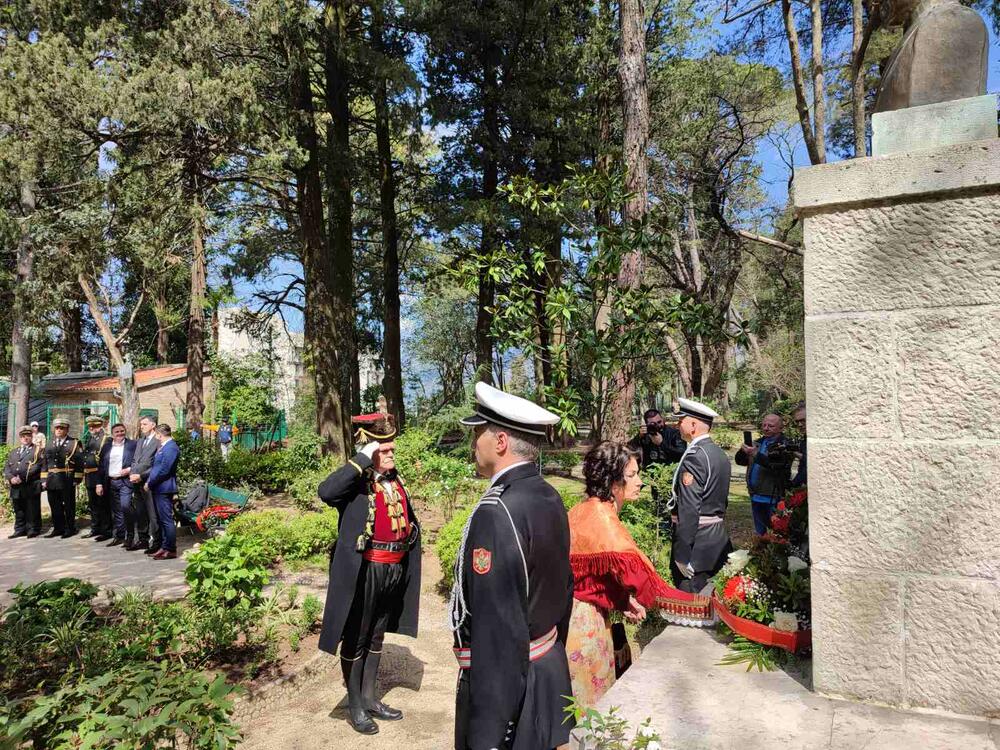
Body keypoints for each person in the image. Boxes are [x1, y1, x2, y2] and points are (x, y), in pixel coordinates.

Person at [451, 381, 574, 750]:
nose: (474, 444)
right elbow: (562, 588)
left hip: (510, 694)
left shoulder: (497, 510)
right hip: (546, 667)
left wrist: (490, 729)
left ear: (500, 441)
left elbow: (497, 627)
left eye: (479, 434)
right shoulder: (547, 493)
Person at [566, 441, 712, 708]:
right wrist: (705, 607)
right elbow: (652, 589)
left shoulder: (582, 509)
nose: (640, 482)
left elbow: (588, 581)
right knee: (592, 709)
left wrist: (622, 601)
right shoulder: (604, 521)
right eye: (632, 475)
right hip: (586, 626)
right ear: (612, 482)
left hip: (570, 617)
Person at [317, 415, 421, 735]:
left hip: (394, 568)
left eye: (391, 449)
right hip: (368, 570)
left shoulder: (394, 478)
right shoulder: (355, 483)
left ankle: (371, 698)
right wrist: (361, 458)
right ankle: (356, 706)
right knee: (357, 637)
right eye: (384, 450)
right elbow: (325, 491)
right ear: (369, 451)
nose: (391, 454)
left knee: (377, 635)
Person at [669, 398, 734, 594]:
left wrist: (682, 554)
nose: (677, 425)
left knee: (692, 604)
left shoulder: (695, 457)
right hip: (716, 537)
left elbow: (689, 509)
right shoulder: (718, 454)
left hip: (697, 543)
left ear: (694, 425)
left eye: (681, 421)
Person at [735, 413, 794, 535]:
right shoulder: (758, 443)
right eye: (764, 425)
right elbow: (740, 461)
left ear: (780, 428)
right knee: (760, 533)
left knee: (777, 532)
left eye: (771, 426)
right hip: (755, 495)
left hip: (774, 496)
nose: (766, 428)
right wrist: (743, 451)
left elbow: (776, 465)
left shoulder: (785, 444)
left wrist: (756, 454)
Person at [628, 408, 687, 530]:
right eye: (653, 424)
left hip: (673, 478)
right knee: (659, 504)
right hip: (654, 477)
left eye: (659, 422)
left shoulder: (674, 433)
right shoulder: (645, 436)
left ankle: (675, 530)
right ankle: (662, 530)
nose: (658, 426)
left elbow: (682, 453)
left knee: (675, 506)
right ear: (647, 424)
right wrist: (639, 437)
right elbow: (629, 449)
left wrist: (662, 444)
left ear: (663, 419)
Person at [100, 423, 137, 549]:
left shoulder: (132, 445)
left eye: (122, 431)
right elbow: (101, 466)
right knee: (116, 511)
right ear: (112, 434)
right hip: (111, 482)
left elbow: (138, 461)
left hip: (125, 482)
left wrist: (130, 469)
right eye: (117, 432)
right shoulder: (106, 447)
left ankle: (130, 536)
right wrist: (99, 483)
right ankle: (119, 536)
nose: (120, 433)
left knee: (126, 506)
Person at [146, 424, 180, 560]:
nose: (156, 438)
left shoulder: (171, 447)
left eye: (156, 435)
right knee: (162, 519)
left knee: (166, 520)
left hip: (164, 487)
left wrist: (150, 482)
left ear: (160, 434)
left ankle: (170, 549)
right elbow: (156, 467)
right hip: (158, 487)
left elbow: (164, 470)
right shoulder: (165, 447)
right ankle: (164, 547)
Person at [5, 425, 45, 538]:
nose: (25, 438)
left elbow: (37, 467)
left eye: (28, 435)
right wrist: (11, 478)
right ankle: (19, 529)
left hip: (31, 484)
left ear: (32, 436)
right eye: (23, 436)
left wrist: (21, 478)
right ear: (20, 438)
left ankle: (33, 529)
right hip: (16, 485)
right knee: (18, 508)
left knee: (32, 508)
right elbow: (7, 468)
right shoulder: (13, 452)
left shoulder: (37, 451)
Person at [130, 415, 162, 554]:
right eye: (141, 424)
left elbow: (157, 464)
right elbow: (135, 460)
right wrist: (132, 473)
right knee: (140, 512)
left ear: (153, 425)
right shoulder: (140, 440)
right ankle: (142, 540)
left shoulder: (158, 441)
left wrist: (142, 475)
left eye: (144, 424)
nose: (141, 426)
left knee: (152, 513)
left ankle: (156, 542)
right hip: (136, 482)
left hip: (149, 482)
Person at [81, 415, 112, 541]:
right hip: (89, 476)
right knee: (93, 505)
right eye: (90, 426)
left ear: (101, 426)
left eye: (95, 426)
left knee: (103, 505)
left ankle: (106, 531)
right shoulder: (90, 439)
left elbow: (106, 461)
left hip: (100, 476)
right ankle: (95, 528)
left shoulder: (106, 439)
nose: (92, 428)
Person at [790, 404, 807, 488]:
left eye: (803, 420)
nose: (800, 425)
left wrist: (797, 454)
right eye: (797, 422)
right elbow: (802, 468)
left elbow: (813, 463)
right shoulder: (804, 442)